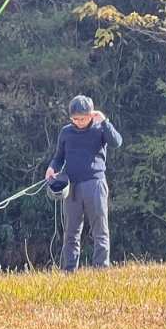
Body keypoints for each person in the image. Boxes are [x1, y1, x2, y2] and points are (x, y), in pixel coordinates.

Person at [46, 95, 122, 271]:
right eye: (75, 119)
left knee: (100, 230)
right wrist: (51, 168)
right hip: (71, 186)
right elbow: (58, 158)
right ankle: (69, 270)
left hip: (95, 184)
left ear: (92, 115)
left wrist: (105, 122)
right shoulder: (66, 132)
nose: (79, 122)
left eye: (83, 118)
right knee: (71, 232)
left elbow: (117, 142)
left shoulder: (100, 129)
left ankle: (101, 269)